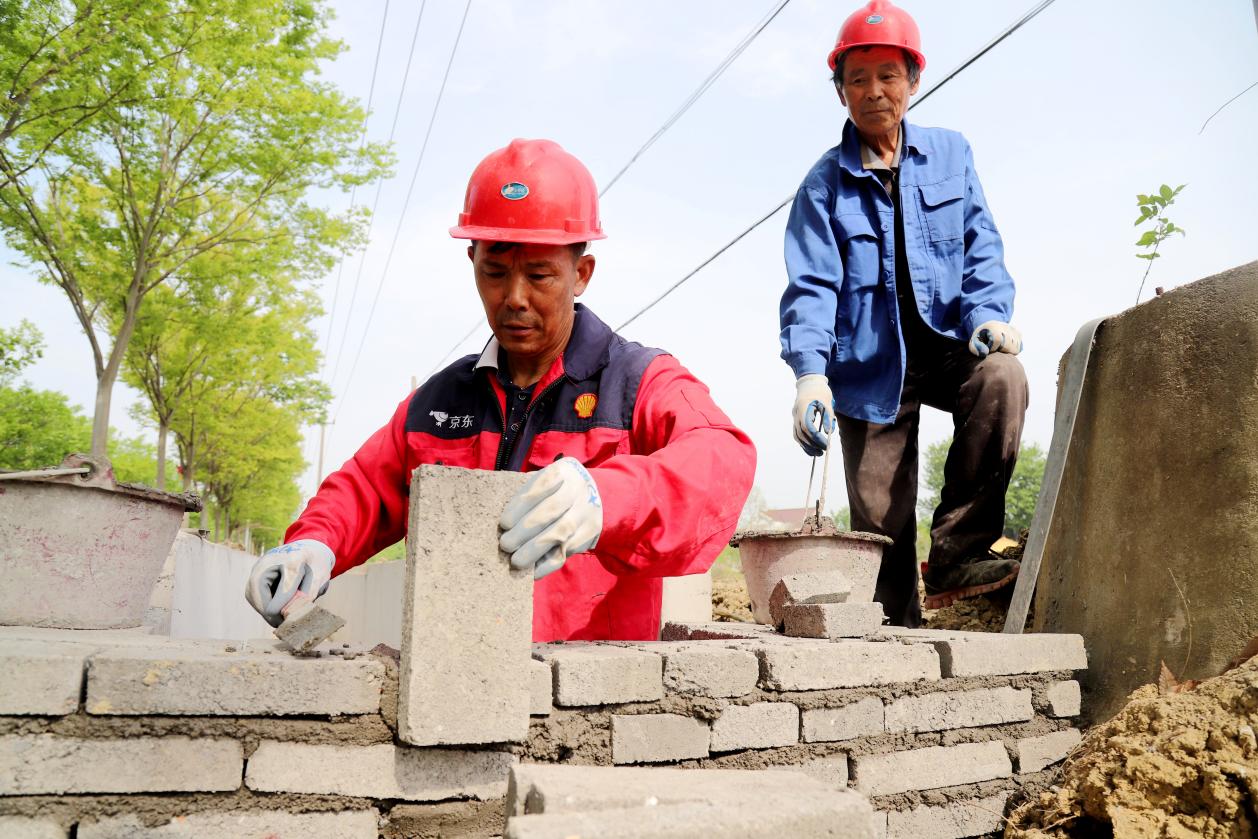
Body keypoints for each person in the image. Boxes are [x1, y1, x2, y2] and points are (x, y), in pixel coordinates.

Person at [246, 138, 756, 642]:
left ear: (581, 274)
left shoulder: (636, 381)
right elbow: (364, 489)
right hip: (456, 675)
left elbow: (722, 460)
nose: (514, 298)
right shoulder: (441, 402)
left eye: (539, 275)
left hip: (592, 687)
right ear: (472, 260)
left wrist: (608, 497)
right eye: (494, 272)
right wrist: (313, 543)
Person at [779, 1, 1027, 628]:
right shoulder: (821, 187)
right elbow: (811, 286)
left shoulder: (951, 155)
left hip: (951, 346)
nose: (874, 91)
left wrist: (987, 315)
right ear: (840, 91)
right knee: (881, 526)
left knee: (1002, 377)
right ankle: (899, 637)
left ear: (913, 80)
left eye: (888, 75)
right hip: (870, 369)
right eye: (857, 79)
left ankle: (959, 554)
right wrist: (811, 374)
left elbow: (980, 245)